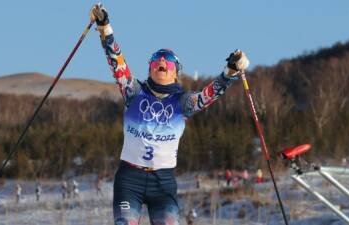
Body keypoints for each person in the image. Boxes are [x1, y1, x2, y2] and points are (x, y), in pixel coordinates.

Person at [89, 3, 250, 225]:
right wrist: (105, 28)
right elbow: (116, 61)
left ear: (175, 73)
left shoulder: (182, 102)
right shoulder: (134, 91)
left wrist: (230, 72)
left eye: (168, 60)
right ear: (150, 69)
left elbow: (208, 95)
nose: (162, 61)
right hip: (129, 179)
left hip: (162, 183)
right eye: (156, 59)